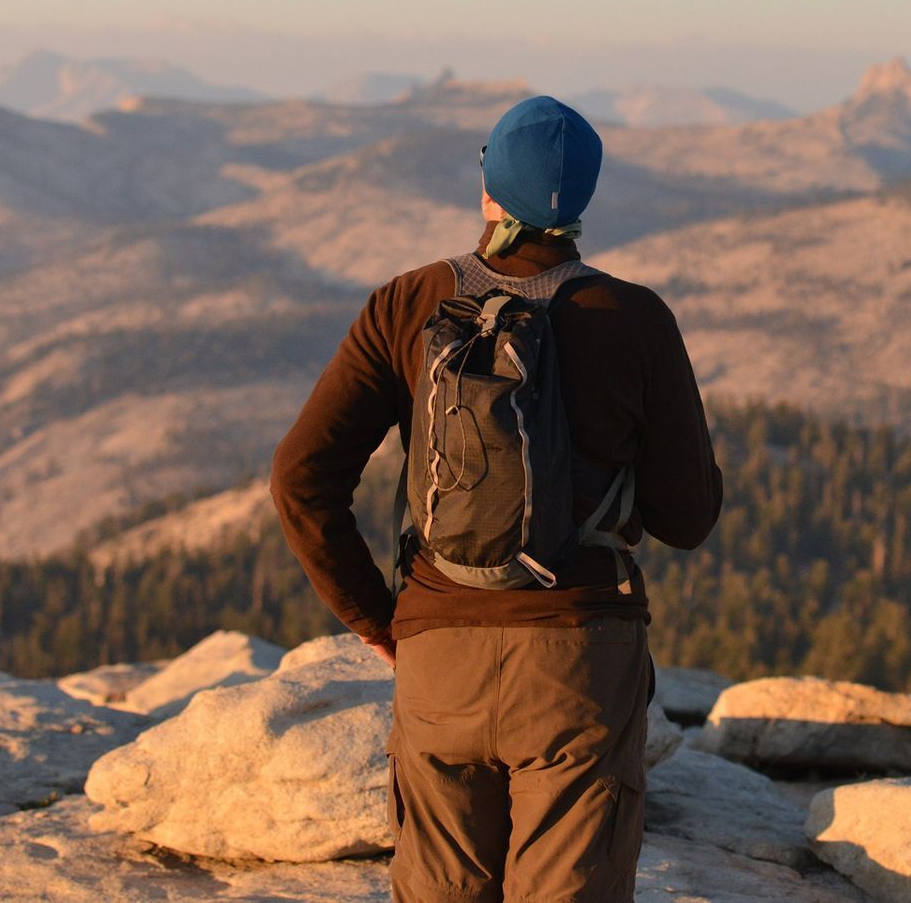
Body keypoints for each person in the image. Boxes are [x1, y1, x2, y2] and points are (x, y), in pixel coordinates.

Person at [271, 95, 722, 903]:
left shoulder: (406, 306)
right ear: (580, 202)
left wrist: (381, 622)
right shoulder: (638, 319)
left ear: (488, 190)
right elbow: (687, 520)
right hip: (580, 665)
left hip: (438, 653)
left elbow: (301, 480)